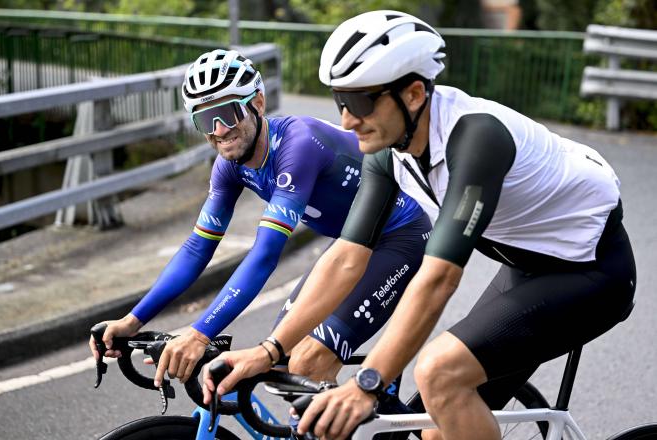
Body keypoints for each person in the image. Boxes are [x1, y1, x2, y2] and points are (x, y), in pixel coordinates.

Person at [202, 11, 637, 440]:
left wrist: (367, 383)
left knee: (439, 373)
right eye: (340, 102)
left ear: (412, 94)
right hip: (526, 268)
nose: (346, 121)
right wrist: (269, 351)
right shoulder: (387, 148)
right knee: (433, 430)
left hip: (591, 272)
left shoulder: (475, 138)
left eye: (359, 102)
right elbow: (347, 258)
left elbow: (439, 277)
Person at [88, 48, 431, 388]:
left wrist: (199, 334)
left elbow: (266, 254)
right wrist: (133, 320)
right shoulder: (227, 167)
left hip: (401, 236)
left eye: (227, 112)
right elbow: (197, 250)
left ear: (259, 104)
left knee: (309, 361)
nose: (219, 130)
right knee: (282, 363)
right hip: (352, 245)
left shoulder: (299, 144)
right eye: (205, 120)